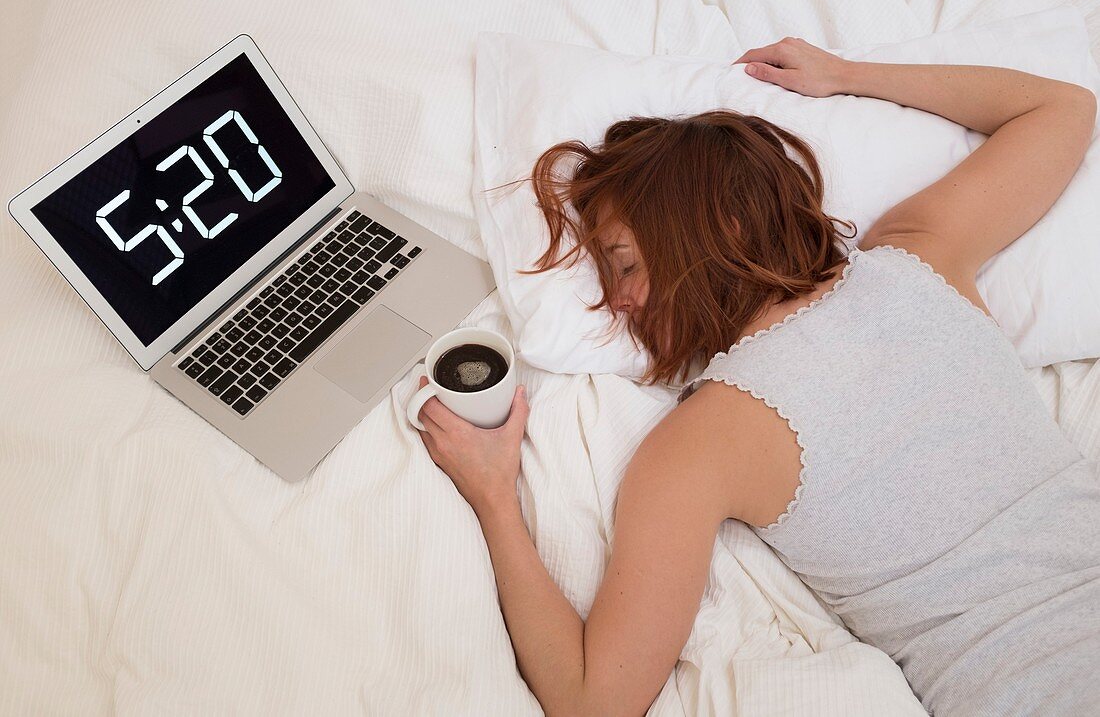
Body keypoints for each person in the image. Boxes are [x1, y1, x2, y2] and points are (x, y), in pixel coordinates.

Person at [412, 36, 1099, 716]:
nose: (619, 301)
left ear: (720, 224)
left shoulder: (702, 441)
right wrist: (847, 75)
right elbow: (1058, 107)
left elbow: (595, 699)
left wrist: (495, 497)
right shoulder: (922, 253)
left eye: (623, 262)